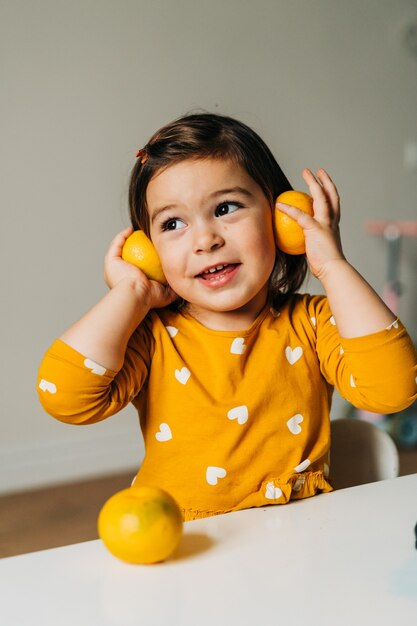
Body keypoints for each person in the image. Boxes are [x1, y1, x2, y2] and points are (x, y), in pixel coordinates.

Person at [37, 113, 417, 521]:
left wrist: (333, 266)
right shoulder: (153, 339)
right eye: (173, 223)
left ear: (279, 218)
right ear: (147, 249)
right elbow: (65, 399)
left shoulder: (311, 322)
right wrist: (131, 293)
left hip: (301, 544)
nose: (206, 240)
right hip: (189, 547)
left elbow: (393, 390)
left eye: (226, 207)